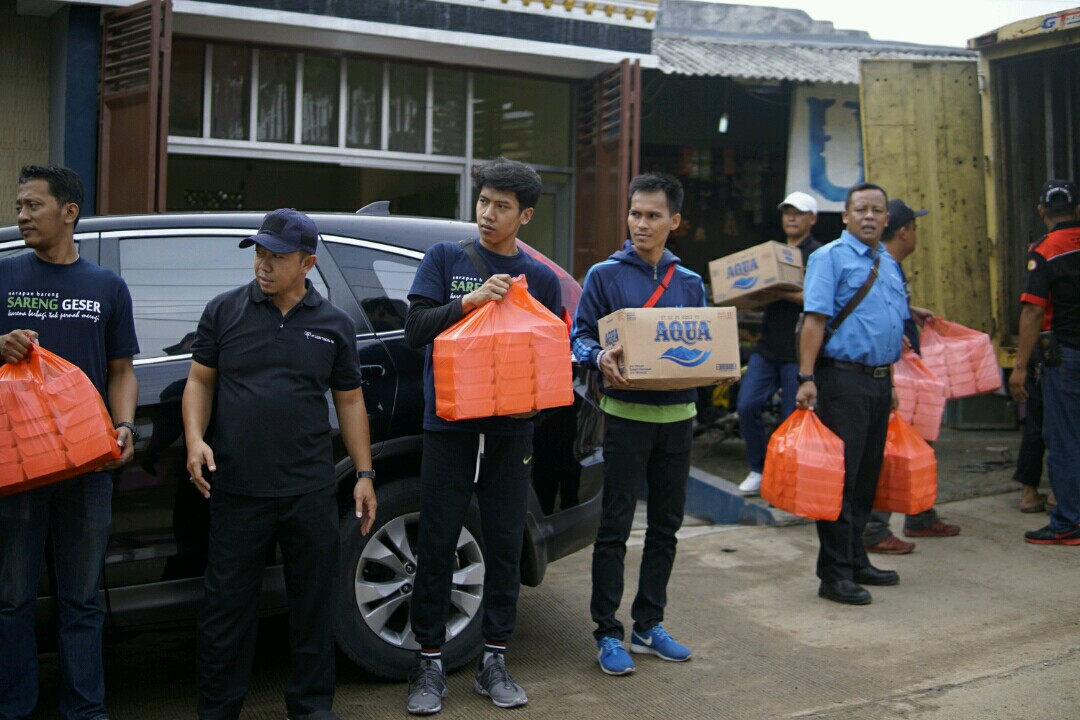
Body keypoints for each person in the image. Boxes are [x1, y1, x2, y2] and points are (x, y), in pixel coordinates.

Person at [183, 208, 377, 720]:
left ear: (307, 263)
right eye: (260, 254)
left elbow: (350, 401)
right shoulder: (224, 312)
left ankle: (311, 708)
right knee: (226, 611)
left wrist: (363, 474)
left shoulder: (334, 324)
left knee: (313, 607)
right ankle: (218, 710)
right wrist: (195, 440)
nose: (263, 265)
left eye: (277, 256)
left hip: (308, 488)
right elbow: (200, 380)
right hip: (237, 489)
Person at [402, 158, 561, 715]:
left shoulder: (538, 278)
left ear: (526, 216)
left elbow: (548, 356)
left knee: (501, 543)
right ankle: (429, 663)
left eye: (502, 206)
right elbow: (416, 330)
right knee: (437, 540)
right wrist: (468, 302)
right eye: (483, 202)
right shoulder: (446, 258)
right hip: (448, 426)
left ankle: (494, 658)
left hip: (512, 431)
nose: (488, 214)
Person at [0, 165, 139, 720]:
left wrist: (124, 426)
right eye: (19, 206)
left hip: (86, 466)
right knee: (11, 599)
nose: (22, 215)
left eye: (33, 205)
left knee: (82, 600)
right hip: (18, 467)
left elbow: (122, 369)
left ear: (69, 212)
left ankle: (85, 711)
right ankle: (14, 710)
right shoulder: (6, 276)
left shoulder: (106, 287)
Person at [572, 173, 720, 676]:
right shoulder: (604, 276)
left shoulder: (690, 283)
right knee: (614, 528)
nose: (641, 223)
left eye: (653, 216)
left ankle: (648, 624)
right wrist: (598, 357)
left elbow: (704, 348)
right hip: (624, 418)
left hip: (678, 420)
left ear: (674, 222)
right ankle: (607, 632)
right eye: (636, 213)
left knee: (665, 527)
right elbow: (578, 340)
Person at [795, 182, 909, 606]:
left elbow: (888, 325)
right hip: (841, 381)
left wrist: (891, 383)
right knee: (841, 480)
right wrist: (806, 377)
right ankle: (834, 573)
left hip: (878, 382)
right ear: (845, 216)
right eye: (860, 209)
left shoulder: (889, 263)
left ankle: (857, 559)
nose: (869, 216)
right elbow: (814, 320)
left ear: (886, 218)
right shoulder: (830, 258)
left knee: (865, 479)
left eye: (877, 210)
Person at [862, 200, 961, 554]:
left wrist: (910, 311)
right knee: (895, 448)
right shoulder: (882, 264)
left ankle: (920, 513)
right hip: (895, 370)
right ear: (903, 231)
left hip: (905, 366)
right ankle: (874, 528)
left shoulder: (890, 266)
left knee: (919, 440)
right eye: (914, 227)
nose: (916, 233)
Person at [1008, 179, 1080, 545]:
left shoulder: (1045, 251)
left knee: (1064, 437)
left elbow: (1033, 312)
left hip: (1065, 356)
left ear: (1041, 211)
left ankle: (1068, 522)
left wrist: (1020, 367)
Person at [737, 191, 823, 495]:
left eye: (798, 213)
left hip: (799, 351)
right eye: (787, 212)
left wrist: (778, 290)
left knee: (791, 419)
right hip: (768, 345)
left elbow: (816, 300)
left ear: (812, 219)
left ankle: (784, 480)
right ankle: (759, 468)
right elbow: (759, 296)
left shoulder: (820, 255)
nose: (791, 218)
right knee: (747, 404)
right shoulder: (773, 253)